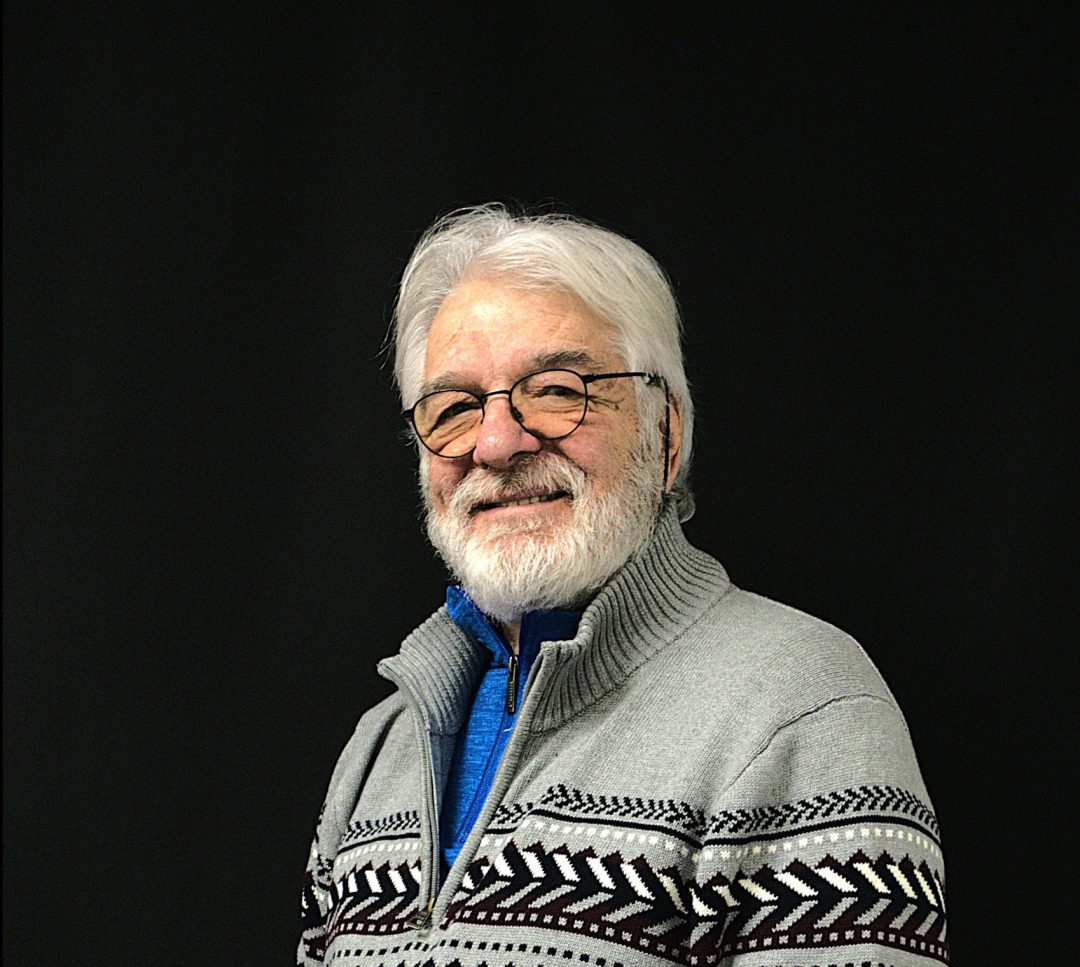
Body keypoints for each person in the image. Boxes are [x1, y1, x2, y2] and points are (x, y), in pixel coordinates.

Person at [298, 205, 947, 967]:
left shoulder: (801, 706)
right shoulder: (380, 748)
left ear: (666, 433)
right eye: (455, 408)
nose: (496, 443)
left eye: (557, 390)